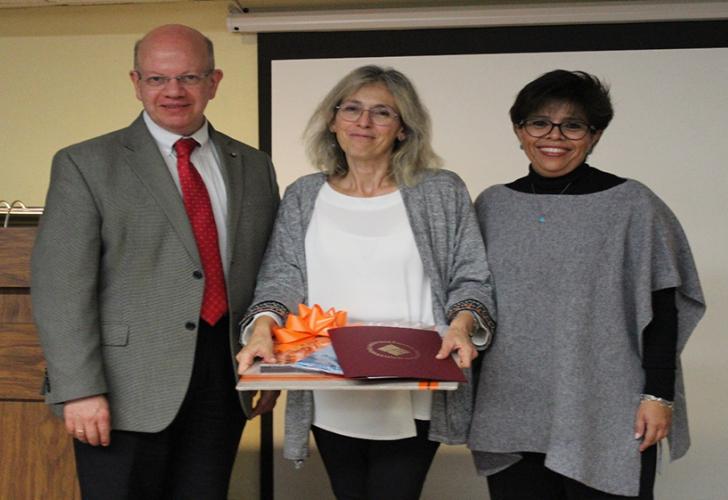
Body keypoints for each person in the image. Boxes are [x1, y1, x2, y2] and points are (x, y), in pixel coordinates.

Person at [31, 24, 280, 499]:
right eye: (156, 79)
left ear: (214, 81)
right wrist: (79, 389)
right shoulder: (85, 164)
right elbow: (60, 286)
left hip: (223, 380)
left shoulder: (252, 164)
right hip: (122, 390)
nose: (173, 92)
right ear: (135, 81)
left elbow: (269, 271)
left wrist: (270, 369)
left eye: (188, 77)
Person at [236, 65, 495, 500]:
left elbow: (471, 276)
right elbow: (281, 277)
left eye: (382, 113)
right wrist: (263, 327)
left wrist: (462, 325)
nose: (363, 122)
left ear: (402, 129)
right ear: (333, 120)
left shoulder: (441, 192)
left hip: (414, 385)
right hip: (329, 387)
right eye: (351, 109)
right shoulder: (304, 195)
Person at [468, 69, 706, 499]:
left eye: (573, 125)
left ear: (594, 135)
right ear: (519, 130)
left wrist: (659, 396)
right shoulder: (492, 206)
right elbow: (468, 297)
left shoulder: (632, 204)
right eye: (538, 122)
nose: (553, 135)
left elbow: (664, 308)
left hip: (607, 406)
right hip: (512, 405)